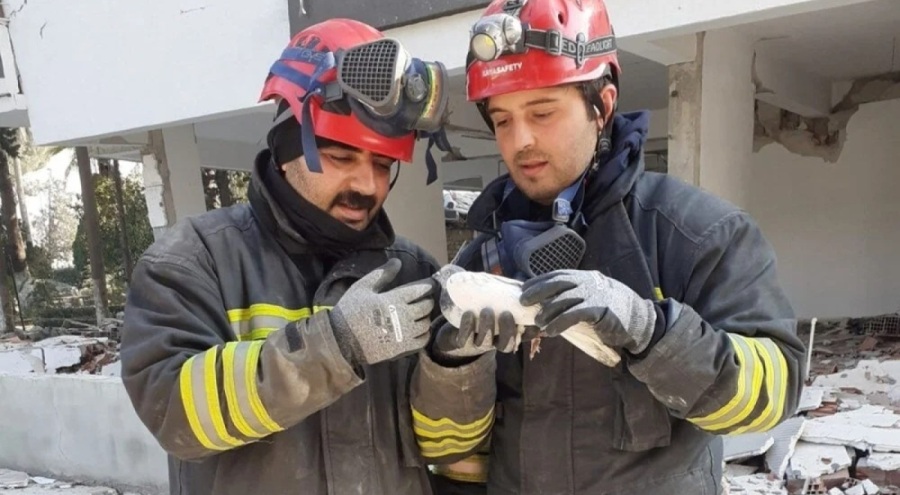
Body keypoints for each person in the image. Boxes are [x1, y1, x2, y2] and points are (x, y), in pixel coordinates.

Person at [410, 0, 807, 493]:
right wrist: (455, 366)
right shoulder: (484, 261)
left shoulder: (695, 233)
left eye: (543, 111)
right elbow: (448, 450)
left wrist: (651, 331)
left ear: (603, 105)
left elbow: (774, 394)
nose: (520, 140)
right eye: (504, 119)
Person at [121, 18, 453, 495]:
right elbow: (173, 413)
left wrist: (457, 366)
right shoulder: (194, 261)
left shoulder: (413, 271)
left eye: (382, 165)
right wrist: (335, 346)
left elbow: (445, 450)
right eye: (341, 158)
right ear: (284, 146)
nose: (366, 186)